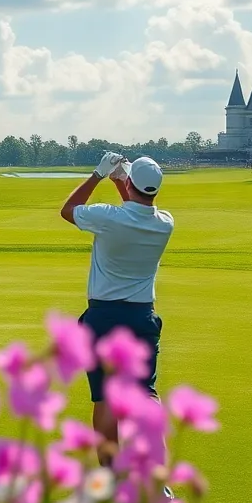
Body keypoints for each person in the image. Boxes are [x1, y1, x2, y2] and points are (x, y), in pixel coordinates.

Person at [60, 153, 174, 467]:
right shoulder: (165, 223)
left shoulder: (108, 218)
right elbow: (136, 211)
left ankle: (109, 478)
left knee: (105, 399)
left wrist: (99, 174)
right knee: (146, 393)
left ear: (130, 183)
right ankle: (157, 478)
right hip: (141, 318)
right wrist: (124, 183)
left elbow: (67, 210)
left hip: (102, 318)